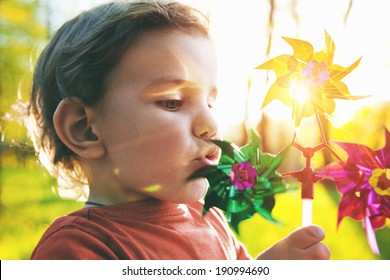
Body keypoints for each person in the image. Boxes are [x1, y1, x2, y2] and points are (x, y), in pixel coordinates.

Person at [28, 0, 330, 260]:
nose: (211, 126)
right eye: (172, 102)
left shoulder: (211, 218)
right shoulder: (78, 247)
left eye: (210, 104)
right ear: (85, 129)